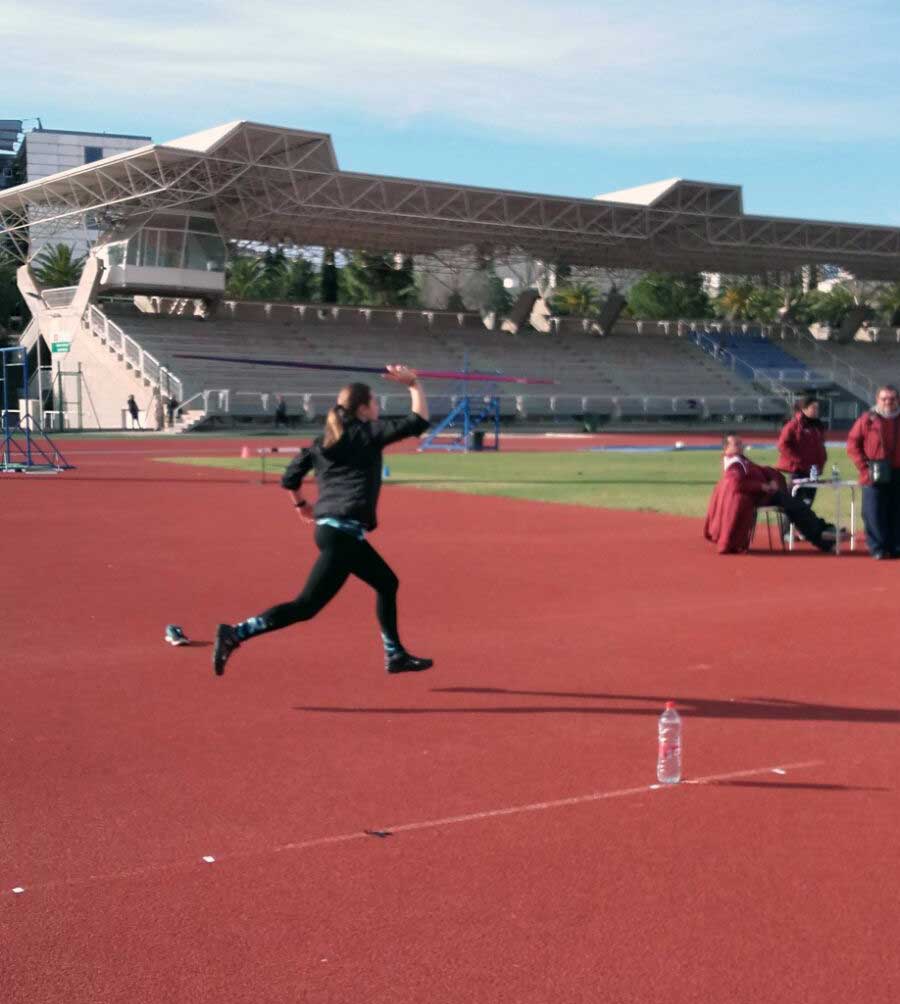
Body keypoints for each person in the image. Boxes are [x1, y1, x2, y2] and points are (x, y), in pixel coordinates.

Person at [213, 365, 432, 676]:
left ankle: (395, 654)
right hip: (342, 535)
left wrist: (301, 505)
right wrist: (414, 384)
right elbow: (418, 422)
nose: (378, 408)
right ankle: (235, 633)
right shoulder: (366, 435)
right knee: (306, 606)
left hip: (335, 533)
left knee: (386, 582)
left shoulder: (322, 442)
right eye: (375, 403)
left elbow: (290, 477)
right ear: (362, 408)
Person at [704, 433, 844, 555]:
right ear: (726, 448)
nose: (741, 446)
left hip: (764, 494)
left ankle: (822, 533)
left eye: (741, 443)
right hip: (760, 496)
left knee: (796, 506)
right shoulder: (733, 465)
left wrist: (770, 480)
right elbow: (737, 484)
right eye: (736, 444)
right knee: (796, 506)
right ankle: (822, 534)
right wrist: (764, 486)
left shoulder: (739, 460)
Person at [847, 384, 900, 559]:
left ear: (897, 400)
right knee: (874, 511)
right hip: (874, 471)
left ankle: (895, 546)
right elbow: (853, 444)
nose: (888, 402)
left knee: (896, 510)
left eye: (892, 399)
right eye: (884, 398)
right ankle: (877, 547)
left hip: (897, 472)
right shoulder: (867, 419)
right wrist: (864, 467)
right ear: (877, 400)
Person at [776, 392, 827, 506]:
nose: (816, 411)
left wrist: (821, 462)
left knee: (807, 505)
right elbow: (782, 445)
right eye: (813, 408)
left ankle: (804, 524)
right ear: (804, 409)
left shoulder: (817, 426)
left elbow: (819, 447)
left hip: (813, 472)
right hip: (797, 472)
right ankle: (788, 525)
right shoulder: (793, 425)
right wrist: (798, 460)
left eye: (817, 408)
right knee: (794, 506)